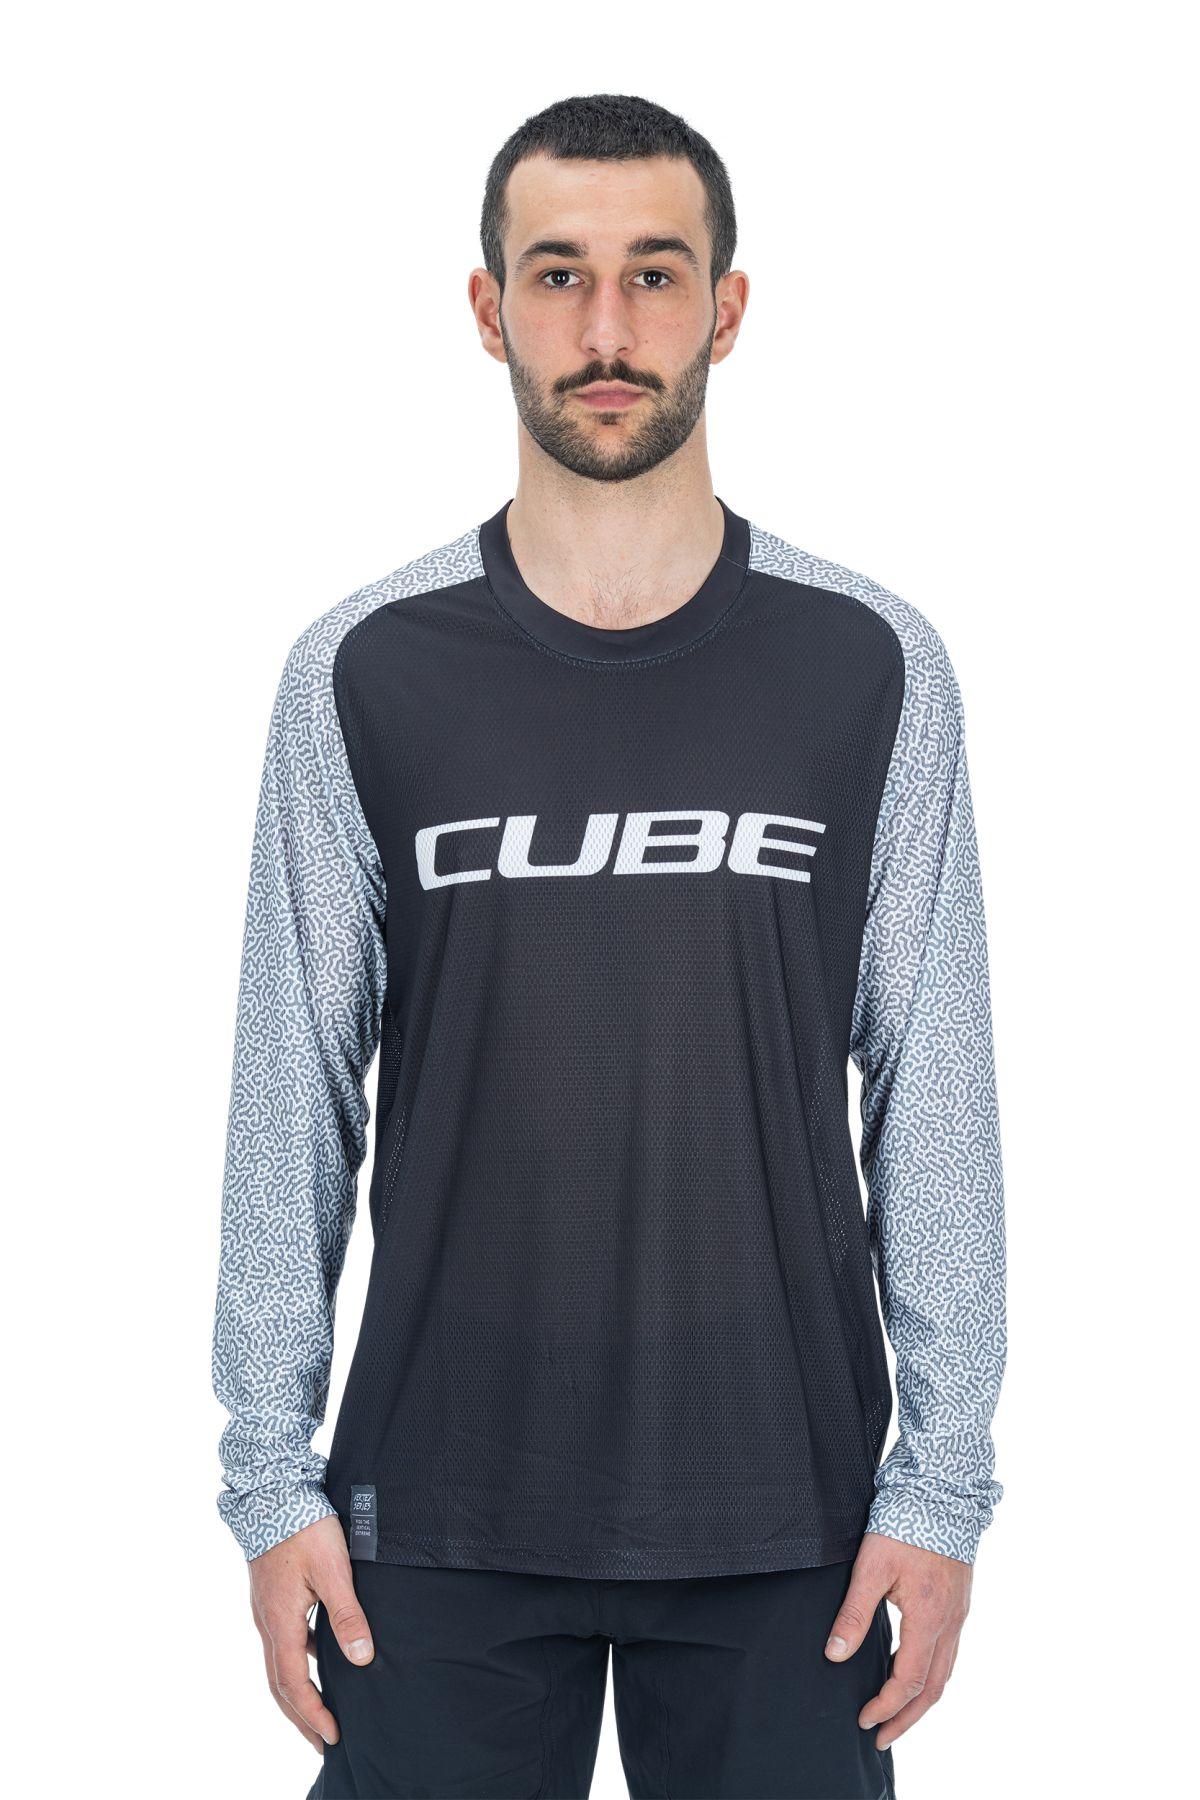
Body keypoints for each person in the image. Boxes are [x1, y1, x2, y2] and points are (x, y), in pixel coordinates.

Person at [212, 91, 1006, 1800]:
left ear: (727, 307)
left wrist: (942, 1492)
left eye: (655, 274)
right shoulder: (365, 667)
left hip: (790, 1522)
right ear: (488, 308)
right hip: (432, 1517)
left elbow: (932, 1096)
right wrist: (269, 1484)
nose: (606, 329)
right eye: (558, 274)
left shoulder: (871, 664)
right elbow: (292, 1100)